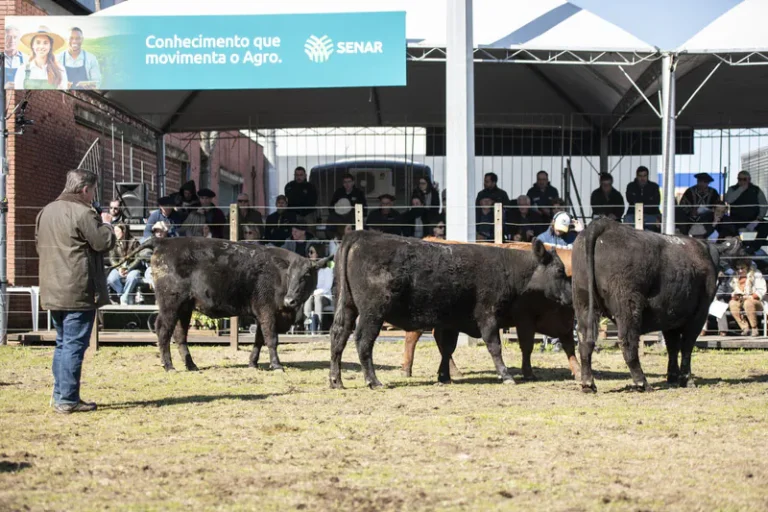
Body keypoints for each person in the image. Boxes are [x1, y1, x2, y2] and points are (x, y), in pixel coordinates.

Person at [35, 169, 115, 414]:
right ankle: (67, 399)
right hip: (78, 289)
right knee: (73, 345)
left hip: (53, 287)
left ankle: (61, 394)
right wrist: (108, 226)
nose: (92, 196)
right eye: (92, 191)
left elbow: (39, 245)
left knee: (63, 343)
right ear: (84, 189)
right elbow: (102, 243)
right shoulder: (83, 213)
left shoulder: (45, 211)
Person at [15, 25, 68, 90]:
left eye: (45, 43)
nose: (41, 46)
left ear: (50, 46)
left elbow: (62, 96)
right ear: (32, 45)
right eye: (38, 42)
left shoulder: (60, 70)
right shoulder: (22, 70)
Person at [107, 224, 143, 305]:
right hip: (118, 268)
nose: (114, 233)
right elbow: (112, 259)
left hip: (132, 268)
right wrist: (119, 268)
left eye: (116, 231)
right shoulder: (114, 243)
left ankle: (124, 297)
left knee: (133, 277)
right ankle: (123, 294)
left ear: (123, 232)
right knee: (111, 279)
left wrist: (128, 268)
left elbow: (138, 258)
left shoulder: (134, 242)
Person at [728, 259, 766, 337]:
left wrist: (750, 297)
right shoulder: (734, 277)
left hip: (756, 301)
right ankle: (744, 328)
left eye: (742, 268)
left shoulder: (756, 274)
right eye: (738, 269)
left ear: (747, 267)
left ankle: (754, 328)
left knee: (748, 303)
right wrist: (735, 296)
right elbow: (730, 289)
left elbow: (762, 290)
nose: (740, 270)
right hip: (740, 300)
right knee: (732, 303)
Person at [302, 244, 334, 335]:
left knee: (317, 298)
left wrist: (314, 292)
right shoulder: (309, 267)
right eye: (308, 252)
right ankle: (308, 325)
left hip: (325, 296)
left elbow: (327, 286)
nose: (309, 254)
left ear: (318, 253)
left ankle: (318, 326)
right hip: (312, 294)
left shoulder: (328, 266)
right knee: (308, 298)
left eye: (312, 252)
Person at [677, 173, 720, 238]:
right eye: (699, 181)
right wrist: (691, 211)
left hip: (707, 218)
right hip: (690, 217)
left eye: (704, 182)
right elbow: (682, 205)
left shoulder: (713, 192)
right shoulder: (690, 191)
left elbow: (718, 206)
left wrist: (710, 211)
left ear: (708, 183)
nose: (701, 184)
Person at [624, 165, 661, 231]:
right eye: (640, 176)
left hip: (650, 215)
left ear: (647, 176)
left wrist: (639, 202)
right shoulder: (631, 186)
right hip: (633, 215)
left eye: (644, 176)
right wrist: (647, 201)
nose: (642, 178)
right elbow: (630, 200)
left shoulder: (654, 187)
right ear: (637, 176)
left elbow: (656, 202)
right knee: (627, 220)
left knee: (656, 222)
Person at [141, 221, 170, 288]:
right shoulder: (151, 241)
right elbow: (142, 253)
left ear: (165, 232)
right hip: (152, 267)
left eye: (161, 231)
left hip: (168, 267)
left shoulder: (171, 242)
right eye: (157, 231)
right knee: (150, 274)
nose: (159, 234)